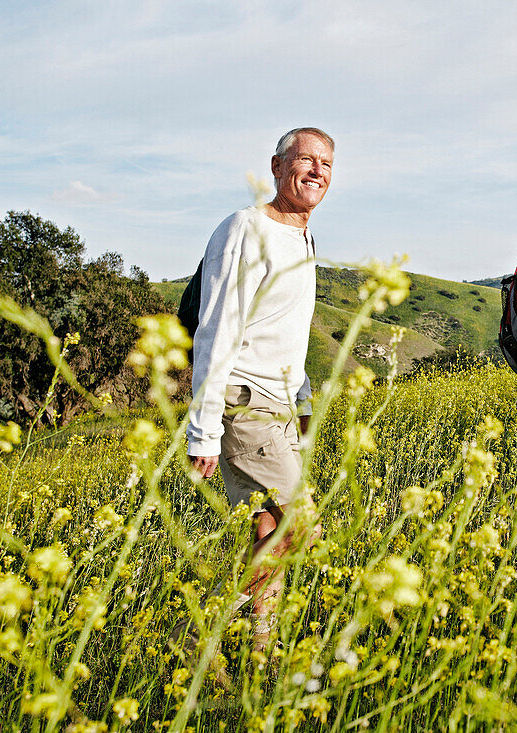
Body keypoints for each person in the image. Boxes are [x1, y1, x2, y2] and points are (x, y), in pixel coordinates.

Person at [183, 127, 333, 650]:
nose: (316, 171)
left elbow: (286, 332)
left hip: (281, 404)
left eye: (326, 164)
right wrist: (202, 429)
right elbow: (217, 326)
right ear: (276, 166)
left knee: (268, 531)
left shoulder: (303, 236)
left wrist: (304, 402)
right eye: (304, 160)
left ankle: (260, 651)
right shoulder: (244, 228)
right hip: (245, 401)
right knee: (301, 528)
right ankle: (210, 624)